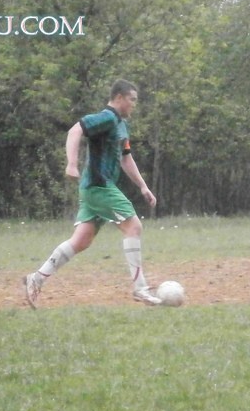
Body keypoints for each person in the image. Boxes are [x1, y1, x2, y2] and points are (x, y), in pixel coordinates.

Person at [22, 78, 163, 307]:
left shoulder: (121, 124)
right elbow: (75, 130)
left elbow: (126, 158)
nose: (134, 104)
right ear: (119, 98)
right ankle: (140, 288)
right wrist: (71, 163)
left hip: (94, 188)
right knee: (134, 227)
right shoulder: (107, 118)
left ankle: (36, 279)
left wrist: (143, 186)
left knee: (81, 240)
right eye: (132, 99)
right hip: (99, 186)